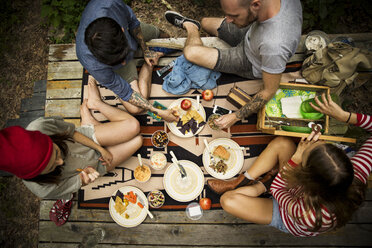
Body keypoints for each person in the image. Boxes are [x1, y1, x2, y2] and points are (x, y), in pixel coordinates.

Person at [207, 93, 372, 236]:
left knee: (228, 200)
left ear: (305, 174)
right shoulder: (358, 168)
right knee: (283, 143)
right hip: (297, 186)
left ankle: (263, 184)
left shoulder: (309, 216)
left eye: (306, 152)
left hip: (287, 213)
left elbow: (278, 191)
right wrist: (345, 117)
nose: (311, 141)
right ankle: (242, 180)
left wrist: (295, 158)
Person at [0, 77, 143, 226]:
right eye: (52, 167)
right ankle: (90, 121)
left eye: (56, 152)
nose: (61, 161)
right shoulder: (42, 190)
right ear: (39, 175)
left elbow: (71, 132)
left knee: (134, 126)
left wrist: (99, 148)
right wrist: (83, 178)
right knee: (138, 140)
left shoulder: (40, 127)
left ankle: (95, 107)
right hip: (96, 166)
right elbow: (74, 183)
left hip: (87, 139)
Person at [165, 0, 302, 128]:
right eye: (228, 15)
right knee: (206, 22)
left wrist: (236, 116)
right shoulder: (265, 9)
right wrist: (238, 18)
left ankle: (191, 27)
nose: (229, 21)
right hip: (250, 33)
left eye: (234, 16)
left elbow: (269, 90)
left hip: (248, 60)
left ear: (255, 5)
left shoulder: (274, 46)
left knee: (190, 53)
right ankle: (197, 24)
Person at [76, 0, 178, 122]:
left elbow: (133, 23)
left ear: (122, 29)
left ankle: (153, 52)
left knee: (164, 36)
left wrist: (145, 50)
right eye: (117, 61)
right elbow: (126, 92)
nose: (124, 63)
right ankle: (150, 63)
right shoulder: (93, 64)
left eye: (123, 56)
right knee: (136, 109)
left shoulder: (110, 4)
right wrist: (158, 111)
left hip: (132, 33)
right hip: (115, 54)